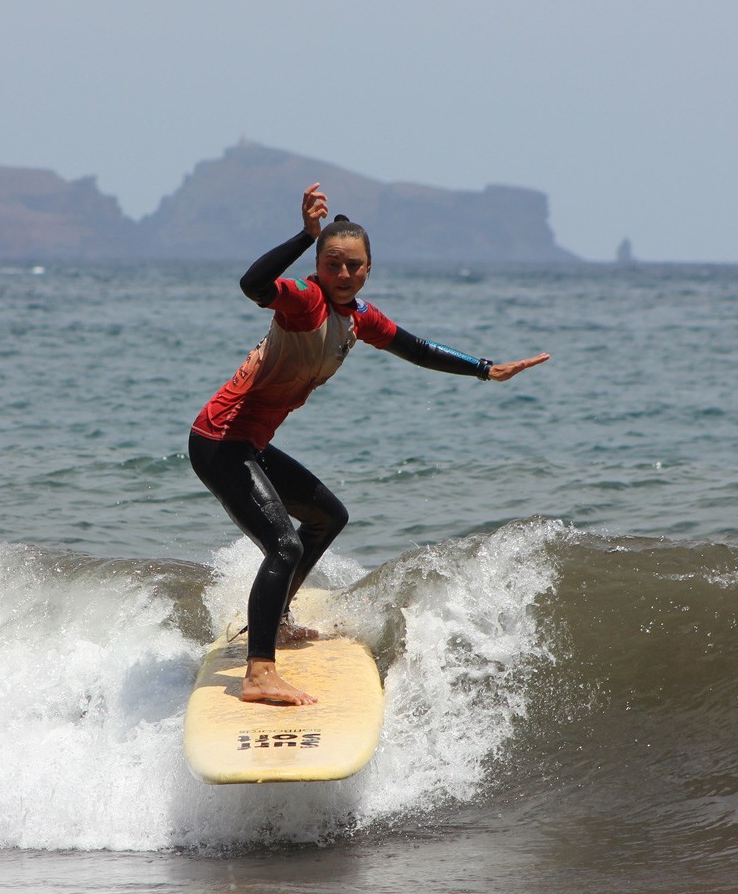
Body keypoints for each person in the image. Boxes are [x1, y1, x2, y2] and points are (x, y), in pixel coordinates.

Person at [189, 183, 549, 706]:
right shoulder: (303, 302)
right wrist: (303, 235)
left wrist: (484, 369)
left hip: (251, 443)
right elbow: (253, 283)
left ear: (368, 270)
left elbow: (417, 349)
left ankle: (276, 620)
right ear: (318, 265)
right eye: (332, 263)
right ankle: (259, 672)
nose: (343, 275)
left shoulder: (358, 320)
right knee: (284, 545)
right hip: (220, 440)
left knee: (326, 517)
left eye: (354, 266)